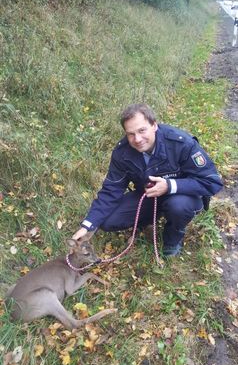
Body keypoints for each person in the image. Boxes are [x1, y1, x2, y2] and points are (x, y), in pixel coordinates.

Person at [72, 103, 223, 256]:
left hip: (182, 195)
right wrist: (88, 225)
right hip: (149, 195)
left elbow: (212, 182)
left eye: (142, 130)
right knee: (107, 220)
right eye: (130, 134)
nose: (137, 139)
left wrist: (170, 186)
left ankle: (173, 238)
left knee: (178, 206)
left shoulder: (181, 143)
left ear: (154, 125)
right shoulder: (122, 152)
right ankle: (149, 218)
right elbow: (111, 190)